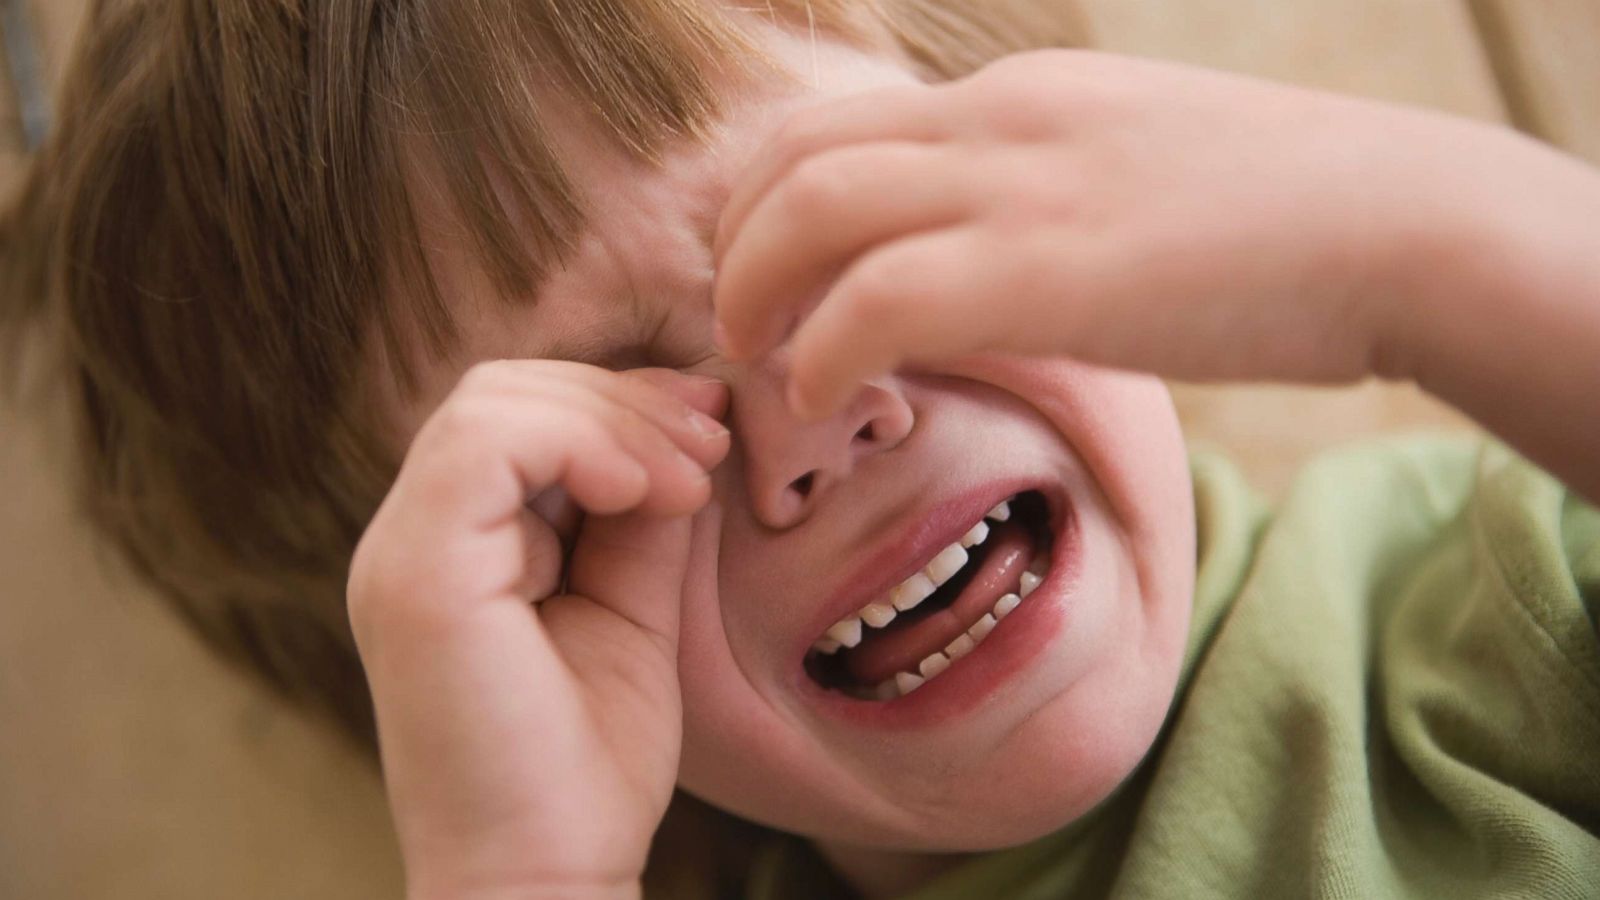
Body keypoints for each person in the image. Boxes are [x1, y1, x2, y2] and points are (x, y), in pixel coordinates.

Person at [4, 2, 1597, 897]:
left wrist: (1418, 255)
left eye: (838, 241)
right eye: (606, 437)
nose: (817, 425)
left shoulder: (1507, 604)